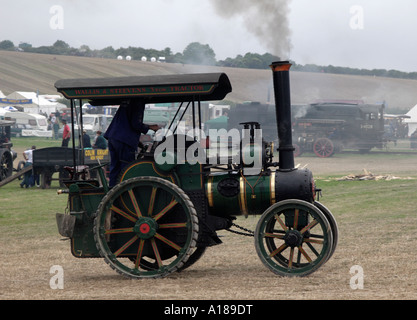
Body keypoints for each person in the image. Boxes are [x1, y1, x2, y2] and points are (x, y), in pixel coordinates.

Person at [104, 99, 160, 187]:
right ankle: (125, 190)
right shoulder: (138, 102)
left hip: (113, 137)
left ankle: (112, 188)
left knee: (115, 167)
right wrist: (151, 127)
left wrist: (137, 142)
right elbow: (135, 124)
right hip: (124, 140)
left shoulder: (128, 101)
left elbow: (125, 123)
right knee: (127, 168)